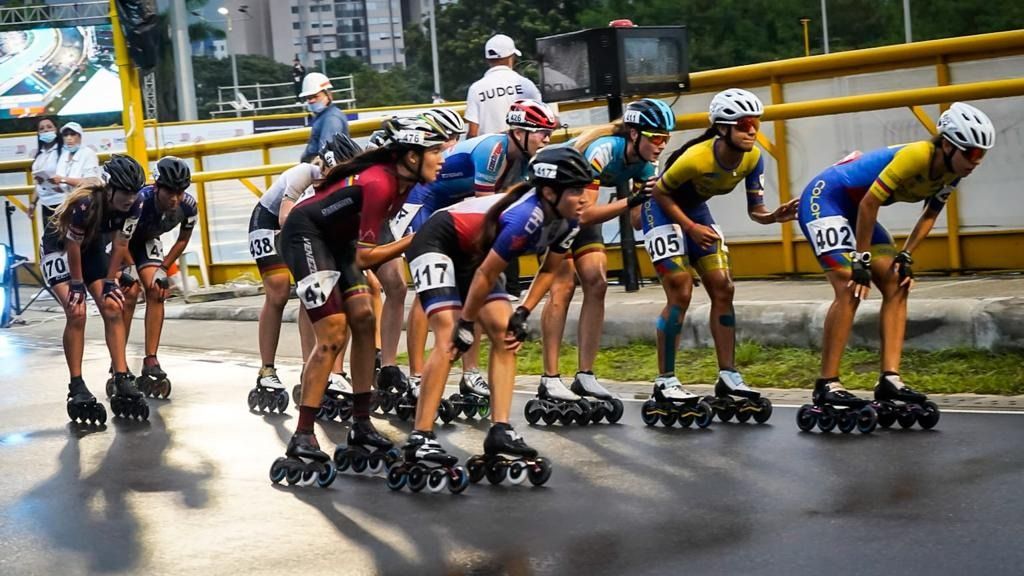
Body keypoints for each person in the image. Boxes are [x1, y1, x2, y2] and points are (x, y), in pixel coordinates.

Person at [386, 146, 593, 492]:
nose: (584, 198)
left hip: (475, 254)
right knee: (451, 336)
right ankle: (421, 435)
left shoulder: (569, 220)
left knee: (505, 333)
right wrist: (466, 322)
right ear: (549, 192)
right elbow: (484, 275)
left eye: (585, 189)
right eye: (576, 190)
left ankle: (500, 429)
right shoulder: (525, 218)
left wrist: (524, 311)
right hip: (438, 241)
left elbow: (551, 269)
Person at [269, 116, 449, 487]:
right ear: (411, 157)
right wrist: (415, 239)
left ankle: (362, 423)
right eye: (435, 151)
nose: (442, 158)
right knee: (333, 332)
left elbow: (363, 249)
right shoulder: (382, 183)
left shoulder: (402, 181)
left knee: (365, 319)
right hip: (305, 235)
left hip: (338, 242)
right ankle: (302, 434)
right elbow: (369, 258)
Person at [794, 102, 994, 433]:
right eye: (972, 152)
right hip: (826, 197)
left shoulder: (953, 171)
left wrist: (906, 255)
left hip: (858, 208)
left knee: (897, 282)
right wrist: (860, 260)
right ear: (947, 144)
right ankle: (827, 383)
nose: (977, 161)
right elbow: (871, 203)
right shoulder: (916, 155)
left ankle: (890, 378)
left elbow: (930, 214)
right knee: (850, 283)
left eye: (981, 155)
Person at [386, 100, 559, 419]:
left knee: (474, 290)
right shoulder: (494, 151)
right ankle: (416, 374)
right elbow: (490, 217)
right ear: (518, 132)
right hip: (426, 201)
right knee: (431, 293)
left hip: (456, 207)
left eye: (549, 134)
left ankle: (470, 372)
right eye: (542, 134)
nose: (547, 140)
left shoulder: (525, 159)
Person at [641, 89, 796, 426]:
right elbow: (660, 193)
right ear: (723, 129)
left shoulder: (754, 157)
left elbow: (756, 210)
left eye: (755, 123)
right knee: (681, 290)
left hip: (695, 211)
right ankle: (665, 380)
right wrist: (690, 228)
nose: (752, 131)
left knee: (723, 289)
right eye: (744, 125)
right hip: (662, 209)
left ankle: (728, 376)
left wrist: (773, 217)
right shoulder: (697, 157)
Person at [536, 98, 673, 425]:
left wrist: (655, 200)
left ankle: (585, 374)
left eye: (666, 138)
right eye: (656, 138)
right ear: (635, 134)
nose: (662, 144)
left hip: (579, 208)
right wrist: (632, 199)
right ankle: (549, 378)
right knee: (563, 285)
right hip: (553, 207)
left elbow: (638, 221)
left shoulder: (645, 163)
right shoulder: (604, 149)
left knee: (596, 283)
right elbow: (584, 214)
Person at [246, 133, 363, 415]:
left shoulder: (343, 184)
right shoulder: (304, 173)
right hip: (270, 221)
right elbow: (287, 219)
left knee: (319, 291)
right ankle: (267, 369)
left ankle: (315, 369)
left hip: (306, 229)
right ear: (327, 166)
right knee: (278, 291)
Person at [372, 108, 469, 402]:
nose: (449, 149)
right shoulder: (395, 168)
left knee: (398, 287)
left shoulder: (429, 167)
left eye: (451, 141)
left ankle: (388, 364)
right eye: (442, 144)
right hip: (358, 220)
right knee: (361, 293)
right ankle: (408, 372)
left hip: (395, 213)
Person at [49, 154, 148, 424]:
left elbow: (120, 245)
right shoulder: (86, 204)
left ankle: (121, 375)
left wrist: (109, 280)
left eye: (134, 192)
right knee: (77, 311)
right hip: (60, 248)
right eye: (125, 192)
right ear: (110, 188)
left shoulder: (136, 203)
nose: (130, 198)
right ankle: (77, 385)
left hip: (91, 247)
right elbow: (71, 248)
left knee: (113, 305)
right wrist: (78, 284)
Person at [119, 156, 196, 399]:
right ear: (157, 187)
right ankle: (118, 361)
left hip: (147, 240)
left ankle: (150, 358)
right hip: (121, 241)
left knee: (157, 289)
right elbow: (120, 240)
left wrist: (164, 268)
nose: (175, 198)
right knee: (129, 292)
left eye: (180, 192)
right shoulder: (139, 202)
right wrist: (129, 269)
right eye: (169, 192)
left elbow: (183, 240)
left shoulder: (189, 206)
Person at [464, 34, 542, 138]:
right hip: (523, 150)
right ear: (511, 57)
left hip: (490, 151)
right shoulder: (526, 84)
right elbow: (541, 118)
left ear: (487, 59)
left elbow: (473, 133)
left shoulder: (476, 89)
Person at [29, 118, 67, 294]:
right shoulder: (39, 155)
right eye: (42, 129)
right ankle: (55, 281)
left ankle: (75, 281)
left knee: (67, 242)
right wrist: (32, 202)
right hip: (46, 203)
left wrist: (58, 182)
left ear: (56, 129)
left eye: (49, 127)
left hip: (63, 201)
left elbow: (67, 177)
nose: (45, 131)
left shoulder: (63, 152)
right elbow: (38, 183)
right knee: (51, 245)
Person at [300, 72, 350, 162]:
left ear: (328, 95)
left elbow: (327, 155)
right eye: (308, 98)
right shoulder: (324, 116)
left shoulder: (332, 119)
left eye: (315, 96)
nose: (311, 101)